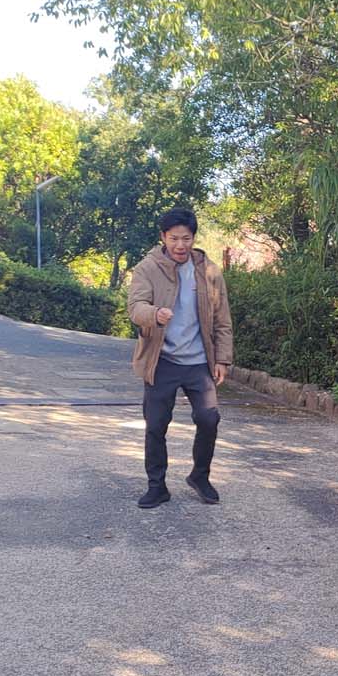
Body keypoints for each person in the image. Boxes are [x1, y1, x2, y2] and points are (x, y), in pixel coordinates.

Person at [126, 207, 234, 509]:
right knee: (156, 424)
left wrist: (222, 358)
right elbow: (135, 307)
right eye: (173, 238)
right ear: (163, 237)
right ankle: (156, 486)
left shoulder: (209, 271)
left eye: (186, 238)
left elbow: (223, 318)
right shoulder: (148, 268)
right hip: (161, 360)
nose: (180, 245)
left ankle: (200, 476)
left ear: (193, 238)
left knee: (209, 418)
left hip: (199, 361)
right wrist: (155, 315)